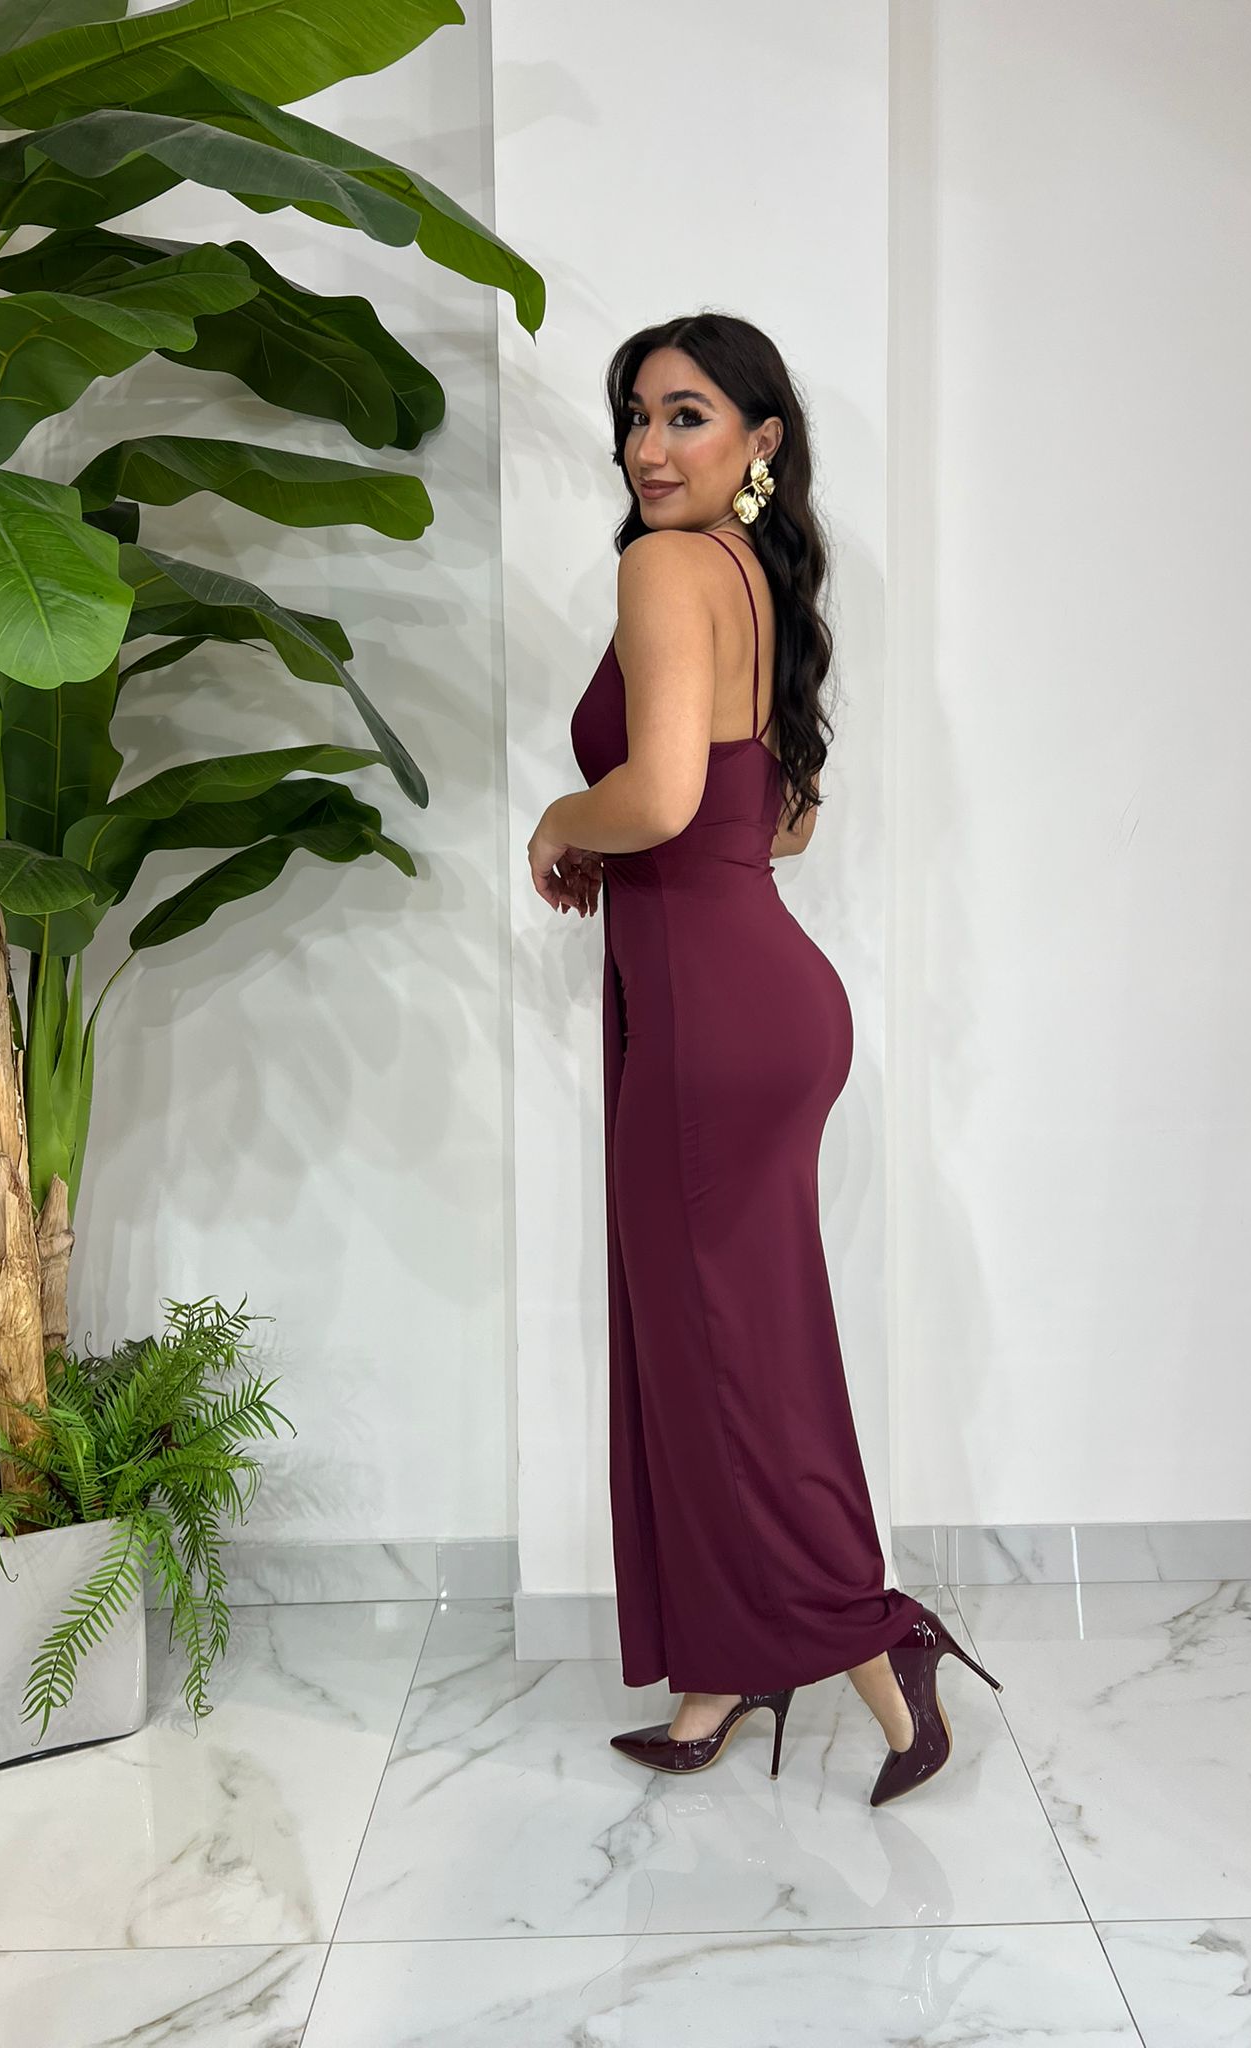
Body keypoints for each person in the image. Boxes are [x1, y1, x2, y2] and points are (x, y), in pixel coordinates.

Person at [528, 313, 1001, 1806]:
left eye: (686, 415)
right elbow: (779, 822)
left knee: (739, 1358)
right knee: (717, 1346)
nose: (647, 447)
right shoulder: (759, 576)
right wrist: (647, 846)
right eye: (635, 416)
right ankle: (723, 1671)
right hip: (760, 1000)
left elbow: (663, 797)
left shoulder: (668, 569)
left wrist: (561, 821)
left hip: (709, 1027)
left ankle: (876, 1641)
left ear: (760, 440)